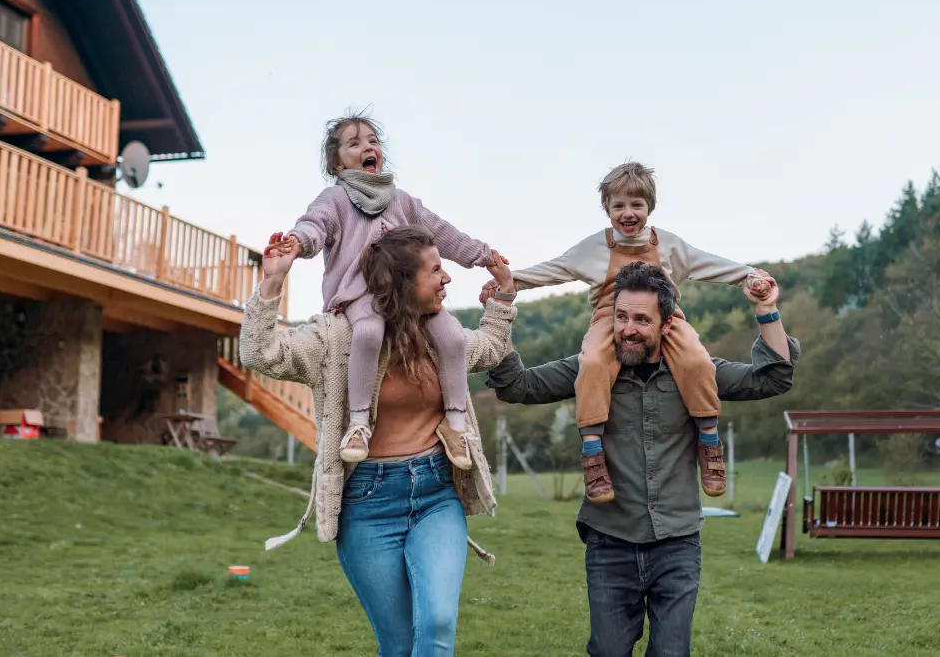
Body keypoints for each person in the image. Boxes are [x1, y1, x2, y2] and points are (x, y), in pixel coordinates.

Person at [485, 261, 798, 657]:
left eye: (640, 319)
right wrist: (500, 311)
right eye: (620, 316)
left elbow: (773, 378)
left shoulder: (697, 372)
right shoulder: (589, 369)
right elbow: (517, 385)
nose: (627, 329)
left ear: (667, 324)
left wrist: (766, 309)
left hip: (677, 542)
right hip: (610, 540)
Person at [242, 225, 518, 657]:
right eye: (435, 270)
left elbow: (489, 348)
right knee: (398, 642)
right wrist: (273, 282)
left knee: (439, 624)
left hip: (435, 494)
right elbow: (262, 354)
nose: (446, 278)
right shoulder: (337, 338)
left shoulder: (441, 337)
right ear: (403, 282)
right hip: (368, 504)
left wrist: (502, 298)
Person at [484, 161, 771, 503]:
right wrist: (509, 281)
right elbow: (554, 270)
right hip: (610, 318)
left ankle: (709, 442)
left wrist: (747, 274)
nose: (628, 213)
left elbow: (709, 262)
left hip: (666, 318)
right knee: (591, 363)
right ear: (607, 209)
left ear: (650, 207)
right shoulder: (593, 248)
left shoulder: (669, 246)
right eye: (618, 205)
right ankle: (593, 453)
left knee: (697, 360)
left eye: (636, 204)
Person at [270, 112, 507, 470]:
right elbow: (314, 225)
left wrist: (481, 254)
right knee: (368, 332)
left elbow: (441, 233)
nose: (367, 146)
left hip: (411, 299)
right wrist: (297, 243)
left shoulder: (402, 201)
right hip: (362, 297)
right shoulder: (335, 199)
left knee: (454, 338)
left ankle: (455, 423)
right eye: (354, 143)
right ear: (337, 162)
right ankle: (360, 422)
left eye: (372, 141)